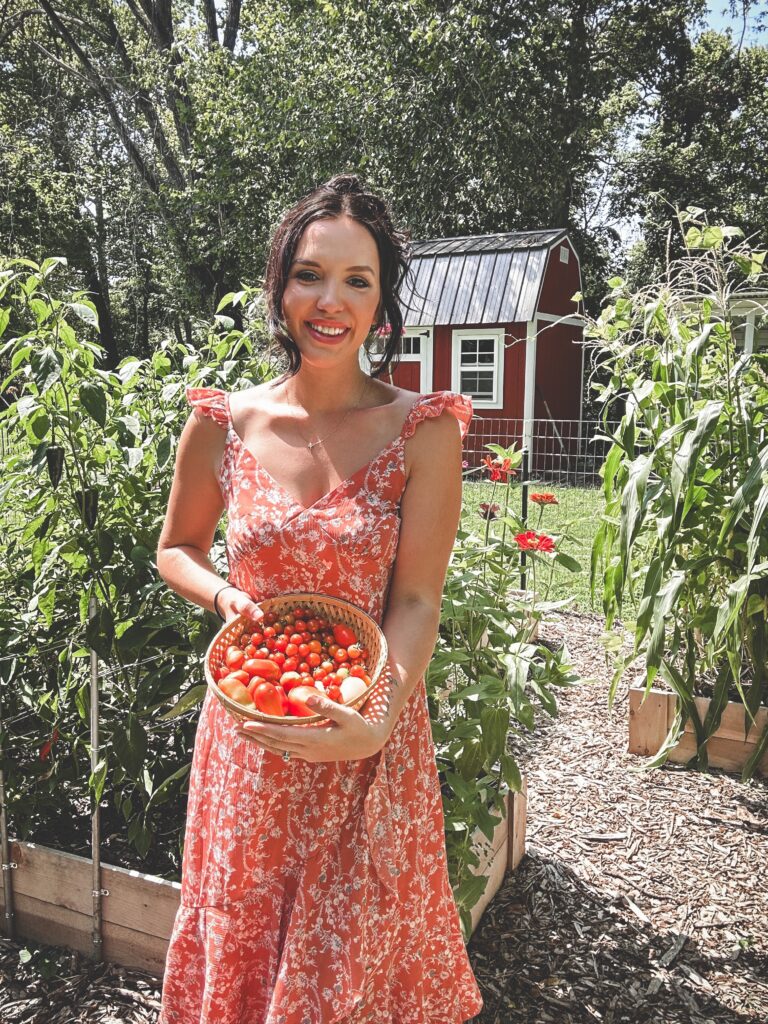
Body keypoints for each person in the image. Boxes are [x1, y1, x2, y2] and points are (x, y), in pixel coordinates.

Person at [156, 173, 483, 1023]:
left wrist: (378, 711)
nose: (329, 301)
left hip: (368, 736)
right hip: (251, 742)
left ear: (383, 304)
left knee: (357, 967)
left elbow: (414, 599)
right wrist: (226, 595)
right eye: (309, 274)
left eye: (356, 280)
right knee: (247, 944)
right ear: (280, 287)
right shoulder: (223, 423)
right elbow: (176, 548)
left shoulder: (425, 431)